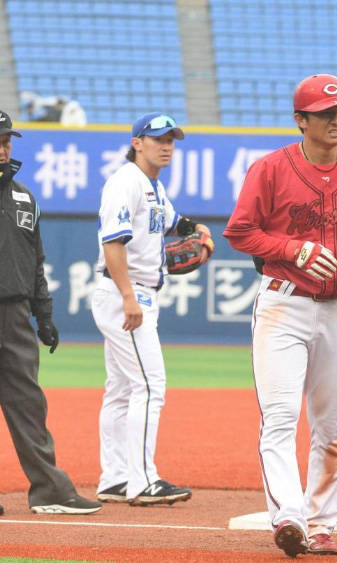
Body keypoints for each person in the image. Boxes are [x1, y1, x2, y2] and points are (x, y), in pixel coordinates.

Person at [224, 74, 337, 557]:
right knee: (280, 416)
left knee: (332, 425)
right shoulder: (270, 168)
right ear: (301, 120)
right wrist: (292, 249)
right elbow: (240, 231)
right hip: (284, 303)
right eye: (324, 113)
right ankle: (288, 517)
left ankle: (320, 524)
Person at [92, 113, 212, 507]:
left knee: (122, 389)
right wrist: (128, 295)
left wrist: (196, 230)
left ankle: (115, 477)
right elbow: (113, 242)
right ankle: (143, 481)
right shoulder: (125, 182)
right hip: (126, 296)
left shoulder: (153, 186)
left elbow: (175, 223)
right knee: (149, 386)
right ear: (137, 143)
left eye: (170, 140)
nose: (166, 146)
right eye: (158, 138)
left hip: (134, 294)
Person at [0, 110, 102, 515]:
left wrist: (43, 315)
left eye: (6, 141)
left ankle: (50, 490)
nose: (3, 148)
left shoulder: (24, 197)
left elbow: (35, 261)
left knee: (28, 403)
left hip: (14, 316)